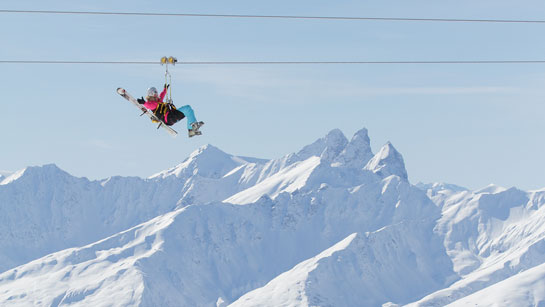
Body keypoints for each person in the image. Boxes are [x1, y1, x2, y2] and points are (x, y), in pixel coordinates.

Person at [137, 84, 202, 137]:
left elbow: (161, 95)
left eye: (156, 93)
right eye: (155, 93)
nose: (157, 94)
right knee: (187, 108)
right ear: (151, 94)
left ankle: (191, 130)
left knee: (189, 110)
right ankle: (192, 128)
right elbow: (148, 105)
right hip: (169, 117)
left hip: (170, 118)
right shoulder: (153, 104)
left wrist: (165, 89)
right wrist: (144, 103)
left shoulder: (158, 101)